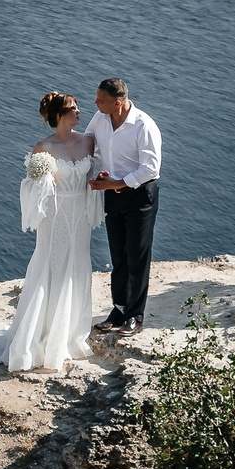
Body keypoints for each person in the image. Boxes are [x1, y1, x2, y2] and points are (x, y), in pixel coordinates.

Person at [0, 93, 106, 372]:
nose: (79, 112)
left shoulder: (88, 141)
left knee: (77, 265)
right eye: (73, 109)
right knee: (51, 266)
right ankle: (38, 336)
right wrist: (41, 184)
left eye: (78, 108)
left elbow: (93, 176)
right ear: (59, 115)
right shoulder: (43, 148)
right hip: (54, 217)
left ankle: (66, 333)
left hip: (79, 215)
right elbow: (32, 187)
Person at [87, 77, 162, 333]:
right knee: (118, 256)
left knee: (137, 257)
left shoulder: (143, 125)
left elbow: (150, 169)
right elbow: (88, 143)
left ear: (117, 103)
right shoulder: (100, 119)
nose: (95, 103)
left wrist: (117, 183)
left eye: (100, 100)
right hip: (114, 194)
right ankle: (118, 310)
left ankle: (135, 317)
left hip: (140, 196)